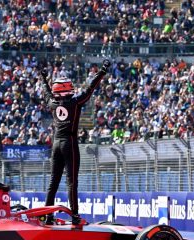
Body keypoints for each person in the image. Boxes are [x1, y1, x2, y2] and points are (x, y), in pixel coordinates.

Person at [41, 59, 111, 225]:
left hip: (56, 143)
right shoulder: (75, 102)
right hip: (69, 143)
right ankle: (75, 216)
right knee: (72, 182)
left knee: (53, 181)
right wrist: (102, 71)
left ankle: (47, 214)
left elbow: (47, 93)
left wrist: (44, 79)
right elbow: (90, 88)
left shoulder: (53, 103)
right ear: (67, 90)